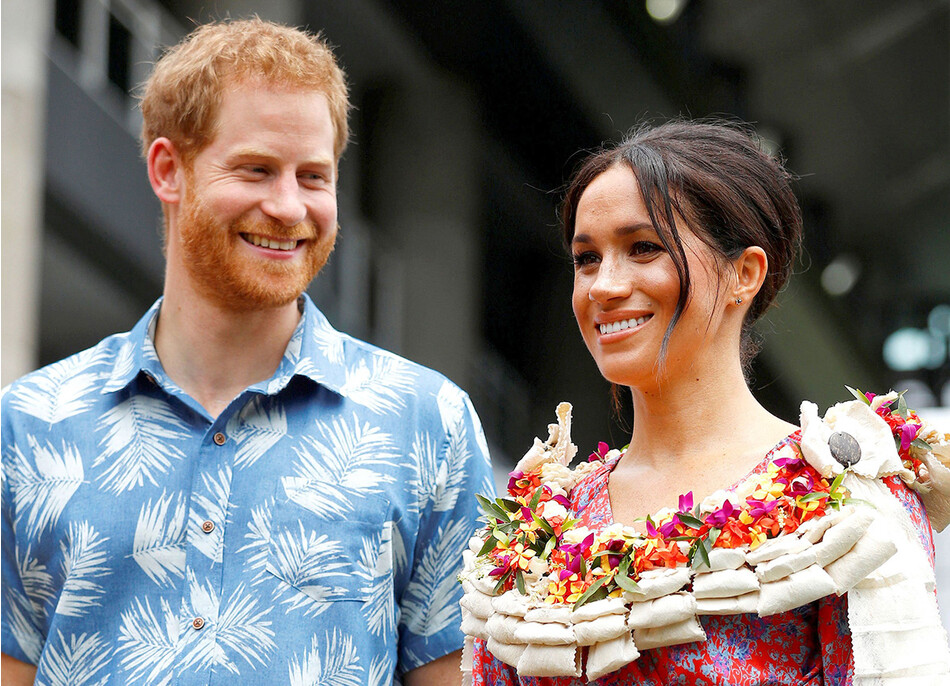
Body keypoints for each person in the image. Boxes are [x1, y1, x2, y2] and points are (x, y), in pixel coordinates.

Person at [1, 18, 493, 685]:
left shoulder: (428, 423)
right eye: (257, 169)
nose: (289, 207)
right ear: (167, 169)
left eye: (314, 177)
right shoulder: (29, 424)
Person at [466, 120, 946, 683]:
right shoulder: (536, 530)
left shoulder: (847, 497)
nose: (602, 286)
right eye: (586, 258)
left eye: (643, 248)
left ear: (744, 274)